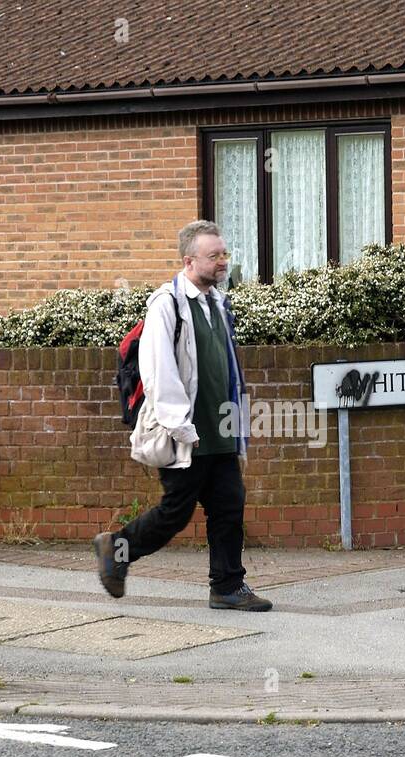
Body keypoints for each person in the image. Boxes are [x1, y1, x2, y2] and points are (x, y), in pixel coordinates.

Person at [93, 221, 272, 611]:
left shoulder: (218, 304)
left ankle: (227, 586)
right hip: (186, 432)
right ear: (190, 261)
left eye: (224, 253)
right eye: (215, 256)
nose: (223, 261)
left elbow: (225, 367)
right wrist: (180, 427)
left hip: (220, 428)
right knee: (175, 512)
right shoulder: (167, 303)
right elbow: (158, 369)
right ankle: (116, 549)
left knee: (229, 504)